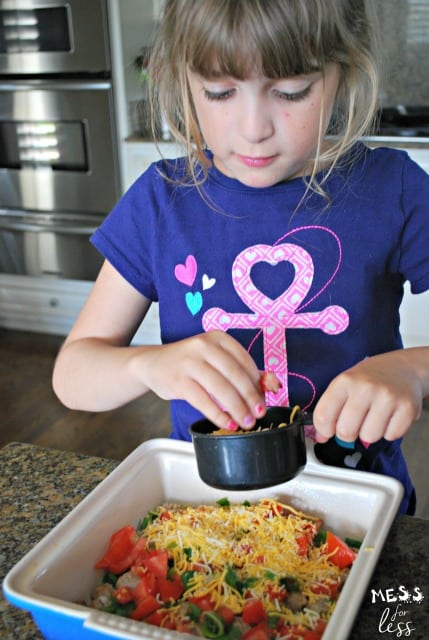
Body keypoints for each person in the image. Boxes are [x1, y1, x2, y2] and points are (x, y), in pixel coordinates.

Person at [52, 0, 429, 516]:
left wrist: (411, 370)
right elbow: (73, 375)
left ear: (344, 72)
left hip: (360, 509)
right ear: (179, 79)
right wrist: (149, 366)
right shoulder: (161, 202)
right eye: (220, 92)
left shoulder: (397, 190)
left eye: (291, 91)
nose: (254, 128)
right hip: (210, 513)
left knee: (396, 604)